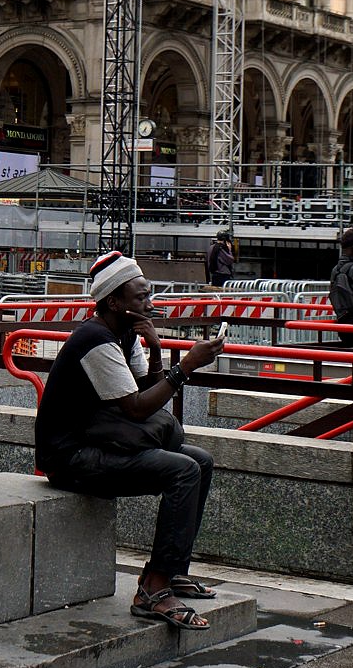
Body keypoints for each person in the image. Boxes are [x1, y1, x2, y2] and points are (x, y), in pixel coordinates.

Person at [36, 251, 226, 629]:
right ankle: (152, 591)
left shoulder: (124, 335)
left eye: (148, 294)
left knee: (200, 460)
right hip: (70, 457)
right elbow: (138, 410)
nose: (149, 304)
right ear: (113, 302)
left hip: (102, 442)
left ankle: (170, 572)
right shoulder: (95, 340)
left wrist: (157, 349)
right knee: (184, 471)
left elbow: (146, 391)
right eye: (140, 297)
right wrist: (185, 366)